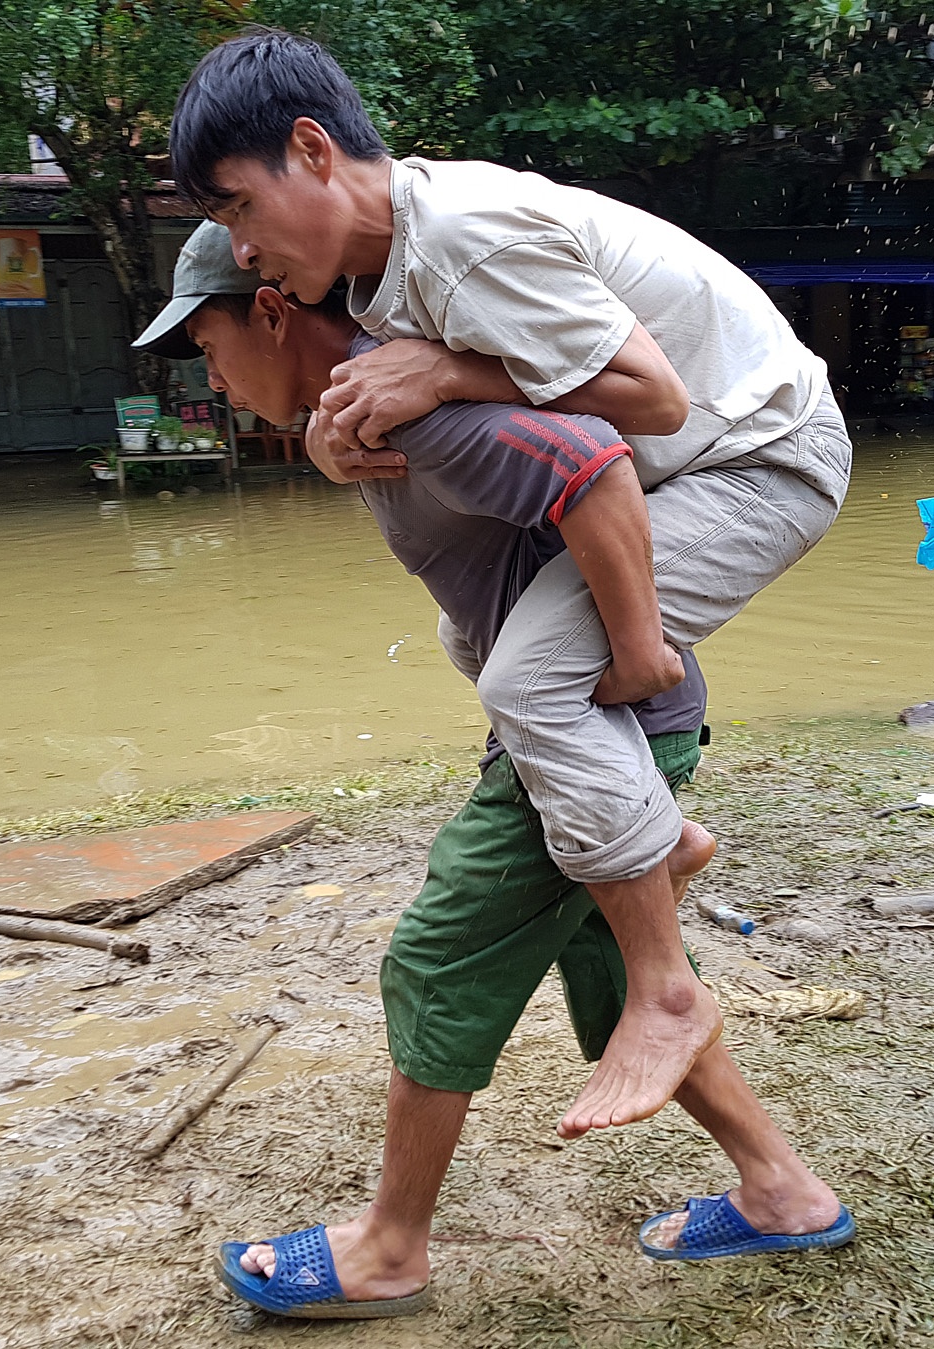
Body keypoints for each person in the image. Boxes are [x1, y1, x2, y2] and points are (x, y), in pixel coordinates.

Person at [134, 223, 857, 1319]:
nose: (214, 383)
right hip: (602, 727)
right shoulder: (368, 409)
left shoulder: (423, 407)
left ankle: (389, 1247)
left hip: (596, 721)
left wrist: (639, 652)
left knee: (439, 957)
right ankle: (784, 1188)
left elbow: (591, 463)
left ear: (273, 312)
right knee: (609, 969)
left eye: (209, 349)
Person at [167, 30, 854, 1139]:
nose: (241, 248)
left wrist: (450, 372)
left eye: (240, 207)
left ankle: (667, 992)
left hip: (760, 453)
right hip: (681, 463)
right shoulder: (376, 277)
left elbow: (656, 399)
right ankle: (660, 841)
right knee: (477, 642)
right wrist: (339, 439)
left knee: (529, 679)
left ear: (313, 149)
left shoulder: (462, 239)